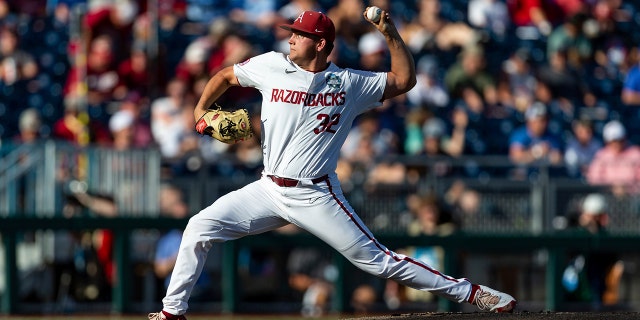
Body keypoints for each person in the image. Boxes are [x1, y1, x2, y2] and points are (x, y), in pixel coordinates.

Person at [148, 9, 516, 320]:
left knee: (379, 261)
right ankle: (172, 312)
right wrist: (200, 111)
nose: (291, 39)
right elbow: (226, 76)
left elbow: (404, 80)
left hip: (316, 193)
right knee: (199, 226)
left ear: (320, 44)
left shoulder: (348, 83)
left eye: (300, 35)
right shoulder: (271, 65)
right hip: (268, 188)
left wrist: (389, 33)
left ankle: (472, 294)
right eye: (292, 33)